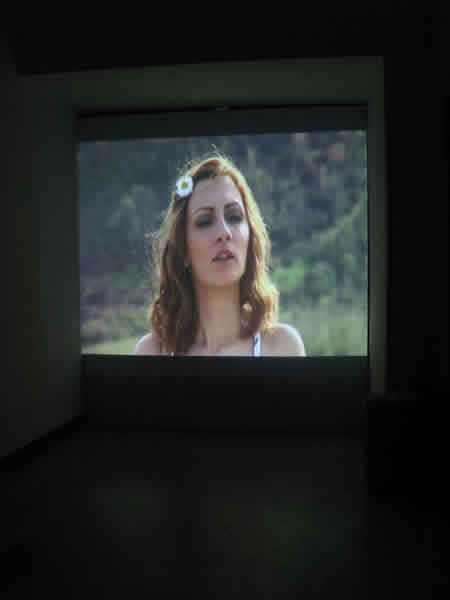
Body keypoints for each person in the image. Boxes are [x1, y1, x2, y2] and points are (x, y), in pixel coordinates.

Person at [135, 154, 306, 356]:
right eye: (204, 221)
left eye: (234, 216)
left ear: (250, 236)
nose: (224, 232)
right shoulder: (154, 351)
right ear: (183, 248)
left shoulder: (282, 346)